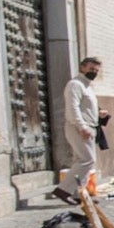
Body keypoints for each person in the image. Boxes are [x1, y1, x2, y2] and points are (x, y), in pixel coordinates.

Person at [46, 56, 106, 205]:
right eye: (91, 69)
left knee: (83, 161)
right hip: (79, 127)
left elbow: (85, 107)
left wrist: (99, 114)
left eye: (96, 70)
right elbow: (73, 108)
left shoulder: (87, 86)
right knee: (88, 160)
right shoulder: (75, 84)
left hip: (90, 126)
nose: (94, 72)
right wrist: (81, 126)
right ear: (82, 68)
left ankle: (80, 194)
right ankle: (63, 190)